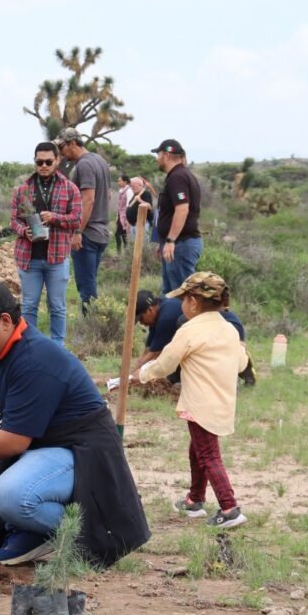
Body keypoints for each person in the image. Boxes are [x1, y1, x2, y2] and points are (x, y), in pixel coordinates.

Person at [0, 281, 151, 567]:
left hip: (80, 454)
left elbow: (13, 441)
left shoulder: (36, 360)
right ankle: (30, 529)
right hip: (36, 451)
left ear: (5, 322)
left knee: (10, 494)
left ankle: (91, 532)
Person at [136, 272, 248, 530]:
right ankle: (195, 499)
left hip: (200, 403)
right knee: (198, 449)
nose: (181, 305)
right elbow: (241, 362)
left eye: (184, 300)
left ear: (194, 303)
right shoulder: (228, 329)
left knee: (208, 454)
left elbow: (165, 364)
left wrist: (141, 374)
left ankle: (229, 508)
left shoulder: (189, 330)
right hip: (222, 401)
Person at [10, 142, 81, 346]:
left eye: (48, 161)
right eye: (39, 161)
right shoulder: (23, 190)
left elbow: (76, 219)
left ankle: (57, 347)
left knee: (57, 306)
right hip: (29, 258)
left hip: (57, 258)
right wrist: (25, 231)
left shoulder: (70, 189)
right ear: (35, 161)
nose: (44, 165)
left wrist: (55, 218)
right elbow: (14, 220)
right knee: (29, 306)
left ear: (57, 161)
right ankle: (29, 346)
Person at [131, 290, 256, 386]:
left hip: (228, 326)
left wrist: (133, 377)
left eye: (141, 318)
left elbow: (156, 355)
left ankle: (243, 363)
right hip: (212, 326)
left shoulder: (166, 318)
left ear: (150, 310)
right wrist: (134, 372)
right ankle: (178, 377)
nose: (141, 323)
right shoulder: (157, 317)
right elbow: (148, 351)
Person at [55, 128, 111, 315]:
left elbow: (89, 199)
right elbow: (108, 195)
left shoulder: (84, 165)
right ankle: (95, 324)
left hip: (87, 234)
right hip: (101, 231)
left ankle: (91, 328)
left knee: (86, 286)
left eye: (62, 147)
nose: (61, 152)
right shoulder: (100, 161)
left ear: (72, 143)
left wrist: (78, 231)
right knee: (90, 281)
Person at [151, 139, 203, 294]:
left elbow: (182, 209)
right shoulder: (179, 175)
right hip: (177, 244)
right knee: (169, 295)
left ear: (166, 155)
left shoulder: (178, 177)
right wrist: (163, 242)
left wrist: (170, 241)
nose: (157, 159)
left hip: (181, 244)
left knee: (182, 296)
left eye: (158, 154)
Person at [114, 174, 134, 254]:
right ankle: (122, 252)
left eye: (120, 181)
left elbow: (129, 206)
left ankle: (125, 252)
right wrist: (117, 217)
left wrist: (127, 219)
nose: (118, 182)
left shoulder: (129, 191)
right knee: (120, 234)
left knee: (122, 235)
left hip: (125, 217)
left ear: (125, 181)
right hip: (120, 217)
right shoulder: (122, 191)